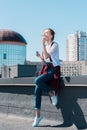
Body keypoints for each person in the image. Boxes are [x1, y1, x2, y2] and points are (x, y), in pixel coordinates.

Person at [32, 28, 60, 127]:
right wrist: (40, 57)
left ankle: (51, 93)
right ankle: (38, 116)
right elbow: (45, 61)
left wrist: (43, 45)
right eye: (44, 33)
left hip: (53, 69)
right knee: (37, 90)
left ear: (51, 35)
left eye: (46, 33)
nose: (44, 34)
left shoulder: (54, 45)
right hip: (46, 68)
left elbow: (49, 56)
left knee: (37, 80)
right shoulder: (47, 46)